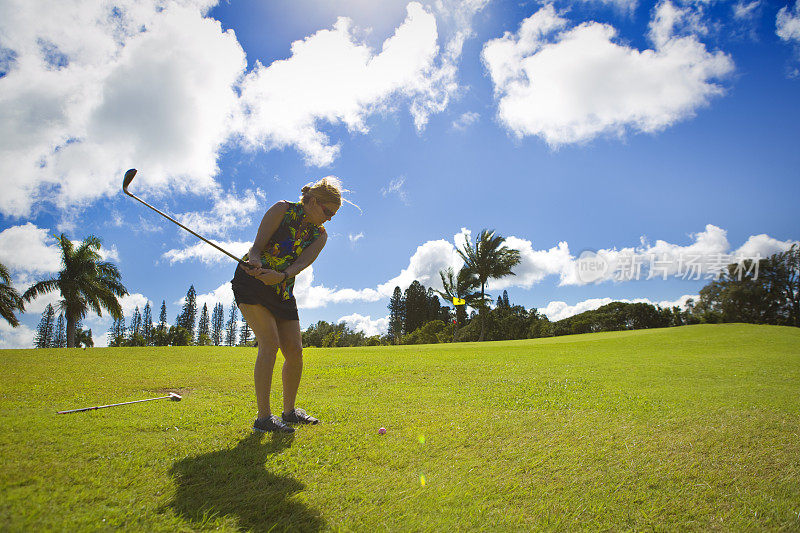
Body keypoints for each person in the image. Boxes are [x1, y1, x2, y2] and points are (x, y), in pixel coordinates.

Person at [231, 177, 342, 433]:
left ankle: (290, 412)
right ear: (312, 202)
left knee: (294, 351)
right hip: (251, 283)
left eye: (333, 215)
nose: (328, 218)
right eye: (327, 211)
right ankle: (263, 418)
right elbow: (256, 248)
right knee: (270, 345)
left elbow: (301, 265)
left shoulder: (320, 236)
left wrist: (280, 276)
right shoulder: (282, 209)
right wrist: (256, 261)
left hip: (281, 289)